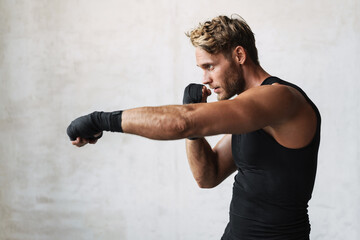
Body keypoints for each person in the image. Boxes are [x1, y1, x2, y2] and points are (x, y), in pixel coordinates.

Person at [67, 15, 321, 240]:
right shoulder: (249, 113)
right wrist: (194, 134)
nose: (205, 79)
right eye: (201, 69)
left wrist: (100, 120)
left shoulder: (279, 98)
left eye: (210, 66)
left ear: (239, 55)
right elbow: (207, 176)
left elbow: (181, 121)